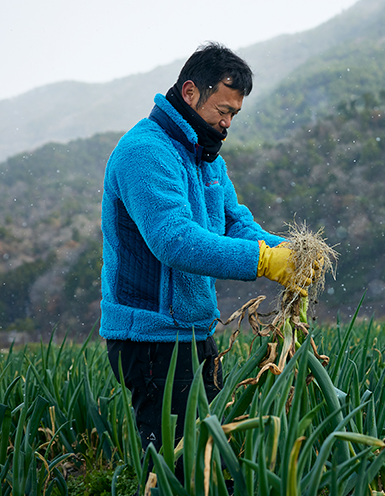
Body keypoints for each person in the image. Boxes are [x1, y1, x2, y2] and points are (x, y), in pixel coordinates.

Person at [100, 42, 315, 471]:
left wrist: (284, 252)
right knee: (178, 469)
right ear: (191, 92)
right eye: (223, 108)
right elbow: (174, 240)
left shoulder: (206, 154)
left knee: (210, 463)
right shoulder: (146, 151)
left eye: (234, 114)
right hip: (150, 338)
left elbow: (235, 220)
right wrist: (261, 262)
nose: (227, 121)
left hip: (195, 332)